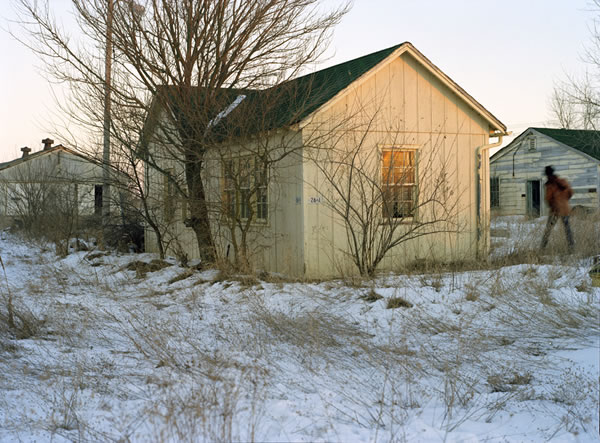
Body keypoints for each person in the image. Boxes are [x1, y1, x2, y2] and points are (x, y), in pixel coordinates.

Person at [541, 165, 574, 251]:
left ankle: (542, 248)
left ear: (548, 175)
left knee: (548, 230)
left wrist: (554, 205)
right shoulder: (563, 181)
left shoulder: (550, 185)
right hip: (565, 209)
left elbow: (548, 199)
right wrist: (564, 201)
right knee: (568, 230)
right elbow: (570, 192)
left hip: (555, 210)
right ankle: (571, 248)